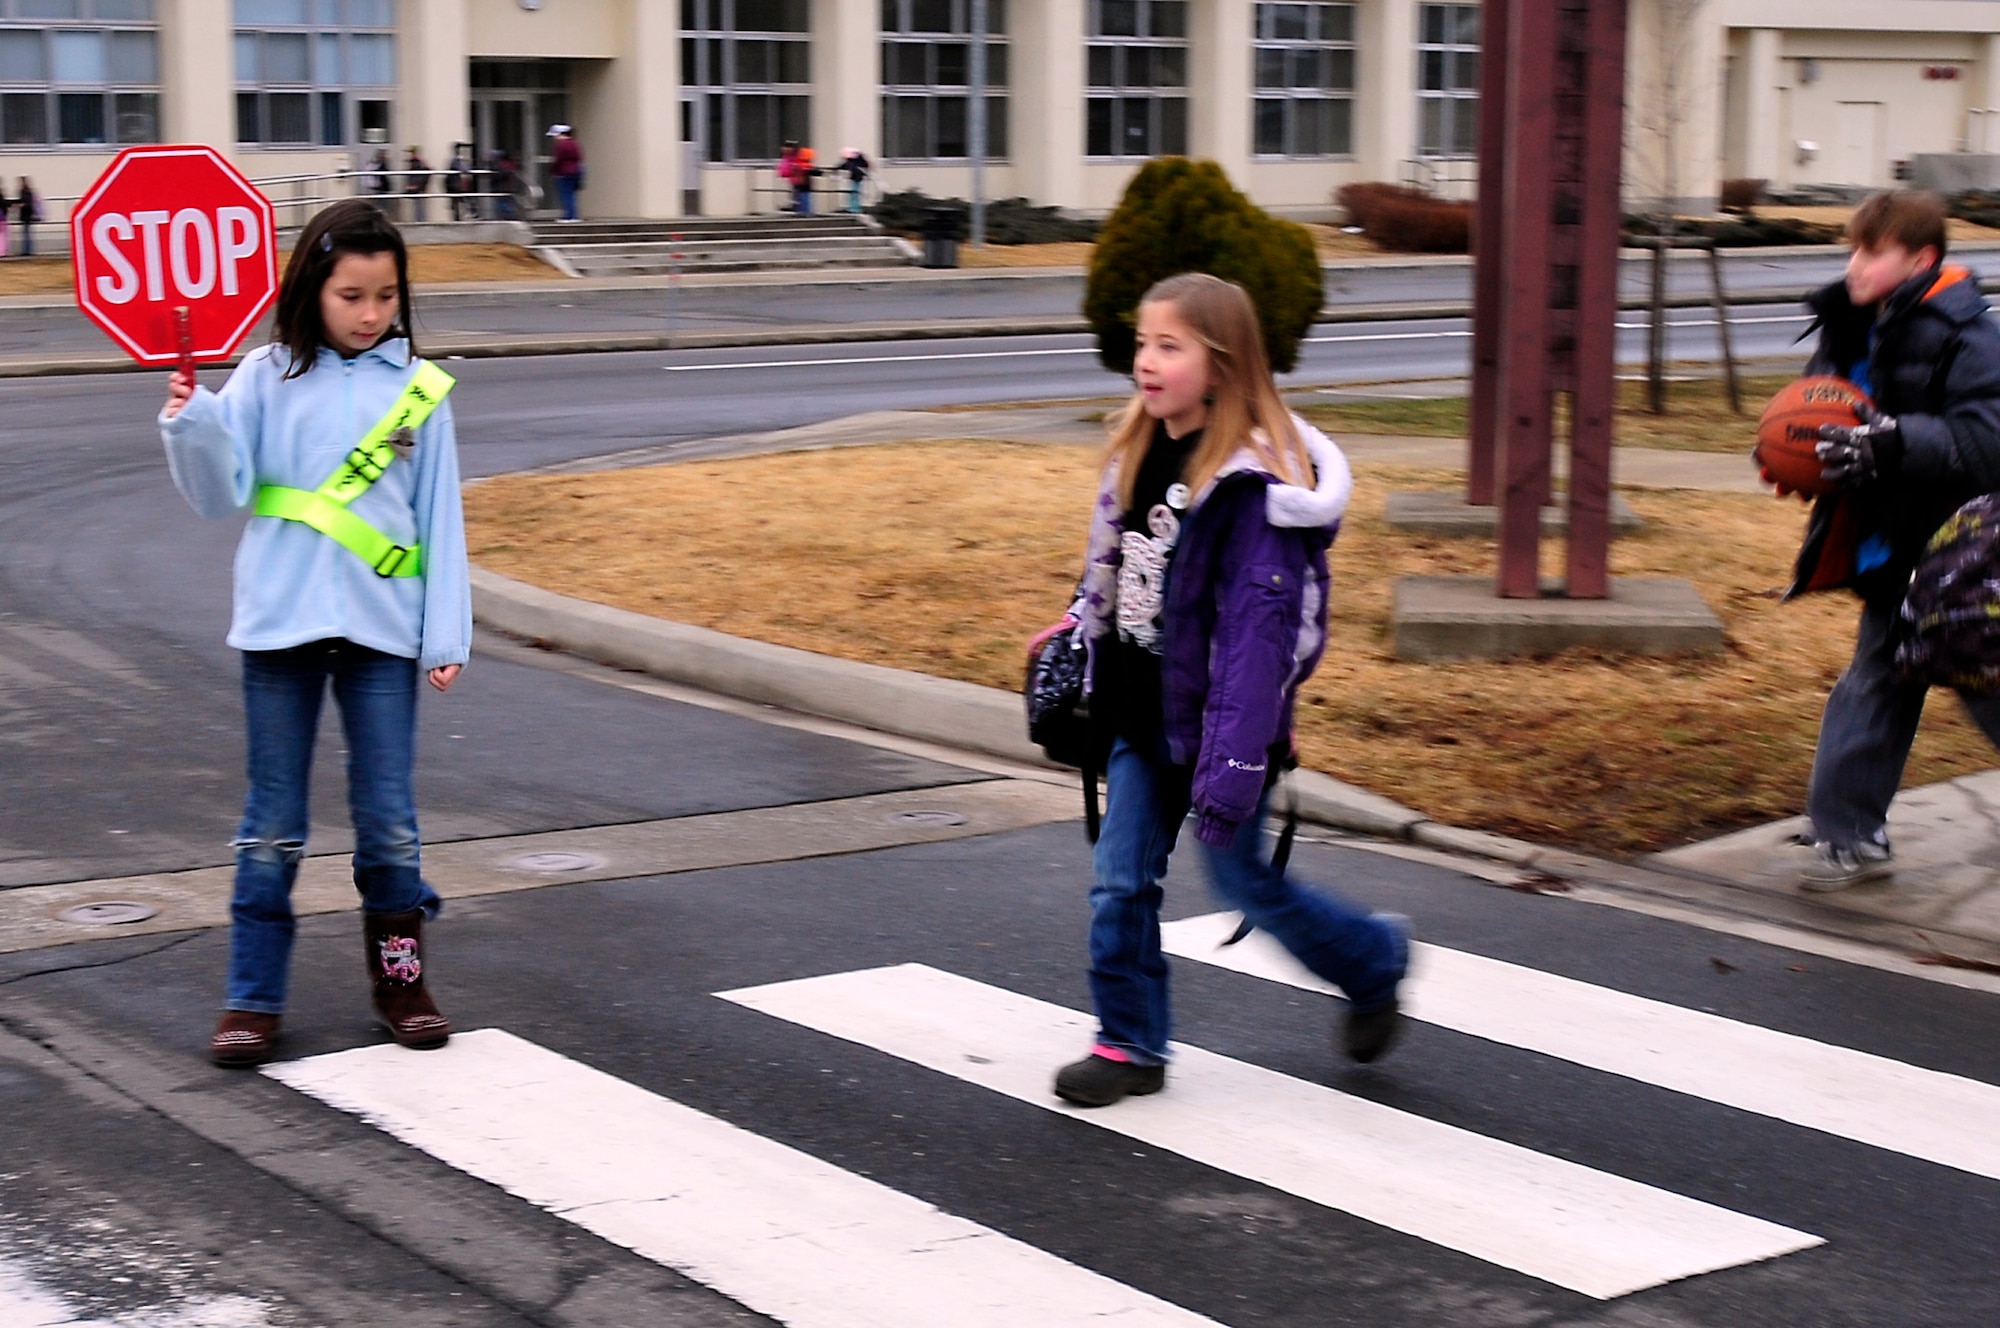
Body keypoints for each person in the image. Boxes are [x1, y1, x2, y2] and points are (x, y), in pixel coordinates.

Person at [1049, 272, 1409, 1108]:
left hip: (1223, 735)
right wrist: (1078, 631)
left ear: (1221, 364)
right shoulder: (1137, 454)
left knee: (1245, 884)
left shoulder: (1248, 493)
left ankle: (1373, 963)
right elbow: (1116, 569)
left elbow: (1257, 642)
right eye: (1142, 342)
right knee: (1119, 882)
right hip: (1142, 719)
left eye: (1168, 346)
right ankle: (1130, 1043)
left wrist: (1235, 764)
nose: (1146, 360)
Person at [158, 199, 470, 1067]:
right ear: (313, 290)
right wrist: (189, 422)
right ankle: (253, 998)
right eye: (351, 295)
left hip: (381, 634)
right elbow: (219, 493)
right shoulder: (264, 377)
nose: (371, 314)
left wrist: (444, 635)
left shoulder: (419, 391)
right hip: (279, 629)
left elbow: (439, 516)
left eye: (386, 296)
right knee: (271, 825)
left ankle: (401, 981)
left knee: (390, 824)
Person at [1783, 189, 2000, 891]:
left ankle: (1847, 826)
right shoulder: (1850, 327)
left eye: (1871, 252)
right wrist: (1801, 457)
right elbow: (1820, 409)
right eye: (1852, 249)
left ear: (1921, 260)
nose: (1854, 264)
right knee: (1878, 675)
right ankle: (1845, 828)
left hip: (1967, 553)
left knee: (1985, 682)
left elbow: (1987, 439)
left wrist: (1895, 443)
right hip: (1893, 544)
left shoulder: (1970, 337)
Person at [549, 124, 583, 222]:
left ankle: (569, 216)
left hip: (563, 173)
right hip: (575, 171)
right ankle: (573, 215)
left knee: (565, 195)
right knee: (571, 195)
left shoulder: (561, 145)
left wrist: (553, 170)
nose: (555, 138)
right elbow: (579, 157)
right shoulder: (574, 143)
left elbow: (558, 159)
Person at [839, 146, 870, 214]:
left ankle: (854, 208)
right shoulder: (859, 161)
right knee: (854, 194)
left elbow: (844, 166)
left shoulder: (853, 162)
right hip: (857, 178)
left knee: (854, 194)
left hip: (856, 179)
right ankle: (854, 208)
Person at [403, 144, 430, 223]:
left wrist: (415, 185)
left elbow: (416, 175)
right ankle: (420, 220)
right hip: (419, 187)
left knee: (419, 205)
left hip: (417, 187)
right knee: (418, 204)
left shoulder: (416, 162)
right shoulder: (419, 162)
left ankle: (421, 220)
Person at [15, 177, 35, 257]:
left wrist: (21, 205)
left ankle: (27, 251)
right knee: (26, 233)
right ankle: (27, 250)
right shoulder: (25, 191)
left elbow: (27, 203)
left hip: (27, 215)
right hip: (26, 215)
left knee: (26, 233)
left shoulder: (26, 192)